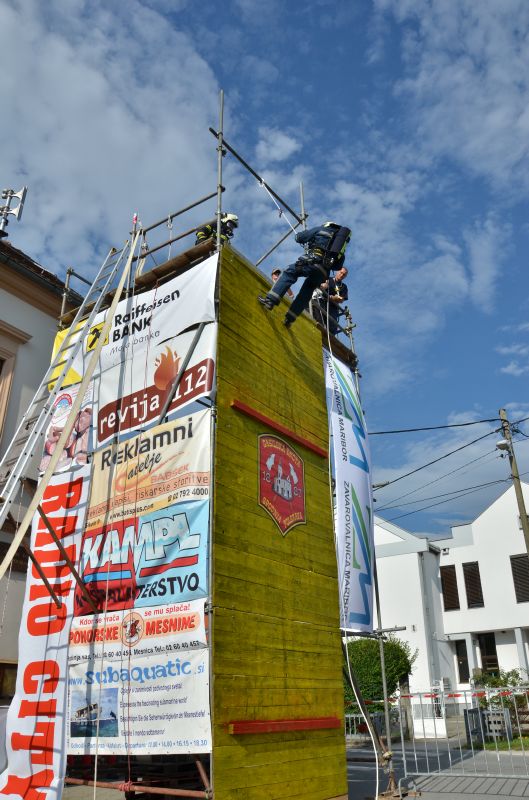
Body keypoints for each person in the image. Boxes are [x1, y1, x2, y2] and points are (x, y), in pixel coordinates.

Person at [258, 222, 351, 328]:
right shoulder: (340, 247)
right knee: (306, 292)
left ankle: (270, 301)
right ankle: (290, 319)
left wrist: (302, 238)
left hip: (310, 262)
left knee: (289, 273)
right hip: (322, 274)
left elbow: (300, 237)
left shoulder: (321, 229)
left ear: (327, 225)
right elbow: (337, 266)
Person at [318, 266, 349, 334]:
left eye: (344, 275)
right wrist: (323, 285)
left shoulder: (344, 287)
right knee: (319, 321)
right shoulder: (327, 279)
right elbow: (319, 286)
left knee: (331, 328)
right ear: (337, 271)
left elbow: (341, 299)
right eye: (341, 272)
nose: (342, 275)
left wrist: (333, 297)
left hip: (333, 309)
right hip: (322, 302)